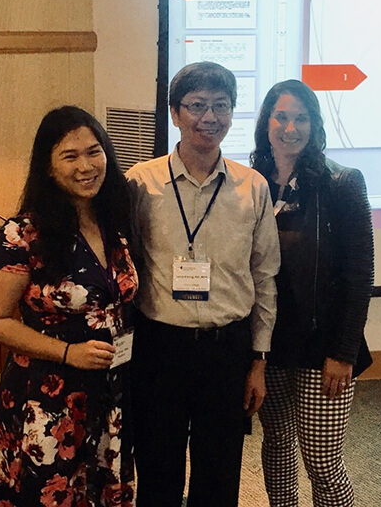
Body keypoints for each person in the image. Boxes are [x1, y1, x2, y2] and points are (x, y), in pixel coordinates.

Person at [126, 61, 281, 507]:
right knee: (158, 468)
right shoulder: (140, 183)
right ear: (175, 113)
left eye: (220, 106)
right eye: (196, 106)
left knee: (219, 472)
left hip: (226, 349)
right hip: (159, 347)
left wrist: (259, 360)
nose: (208, 117)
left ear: (232, 113)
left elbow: (264, 277)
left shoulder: (253, 188)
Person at [0, 106, 137, 507]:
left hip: (111, 393)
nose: (86, 166)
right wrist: (69, 353)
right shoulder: (22, 234)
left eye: (94, 152)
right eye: (70, 156)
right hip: (48, 399)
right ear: (48, 167)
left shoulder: (115, 221)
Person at [250, 80, 374, 507]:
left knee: (322, 461)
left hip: (324, 347)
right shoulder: (251, 183)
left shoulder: (341, 183)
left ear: (315, 125)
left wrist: (344, 352)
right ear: (266, 121)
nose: (290, 127)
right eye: (281, 116)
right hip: (270, 341)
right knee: (278, 445)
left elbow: (361, 276)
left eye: (301, 118)